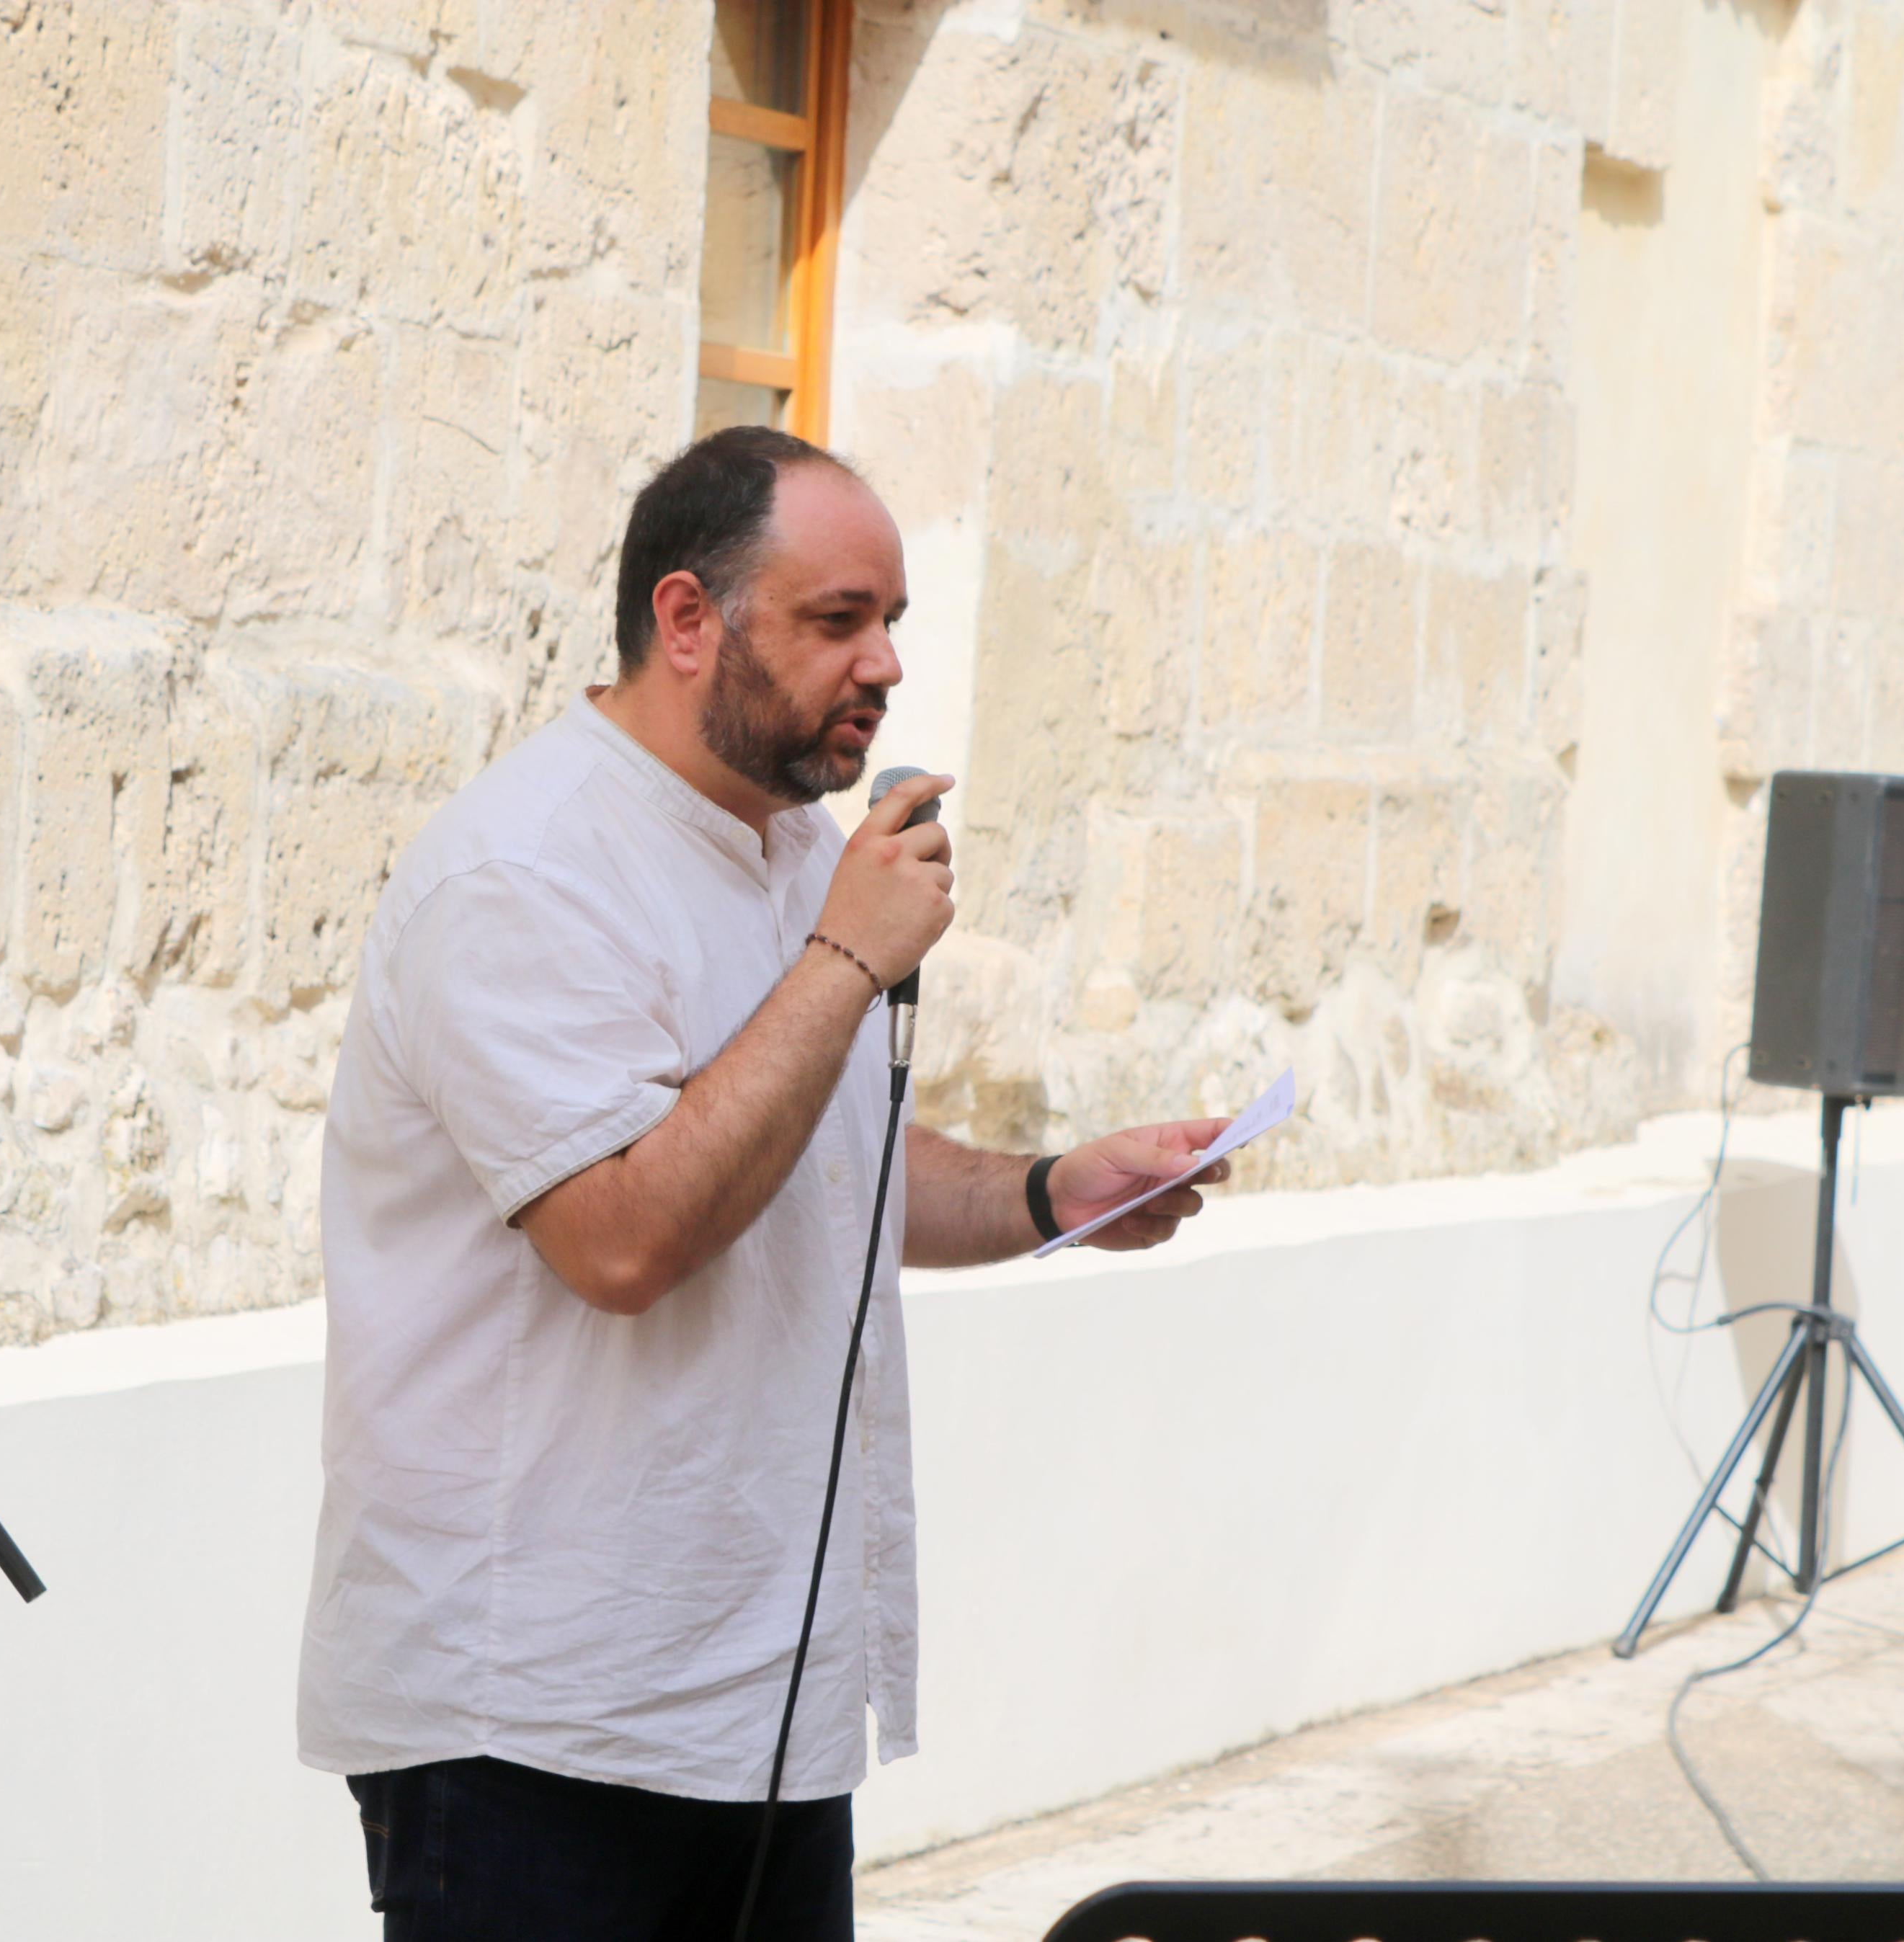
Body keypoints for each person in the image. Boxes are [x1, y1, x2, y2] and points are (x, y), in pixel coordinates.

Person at [300, 424, 1235, 1939]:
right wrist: (849, 956)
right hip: (533, 1725)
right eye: (837, 619)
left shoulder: (798, 851)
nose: (885, 665)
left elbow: (823, 1164)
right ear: (687, 620)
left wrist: (1053, 1191)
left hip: (760, 1700)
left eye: (893, 621)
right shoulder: (521, 873)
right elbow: (622, 1236)